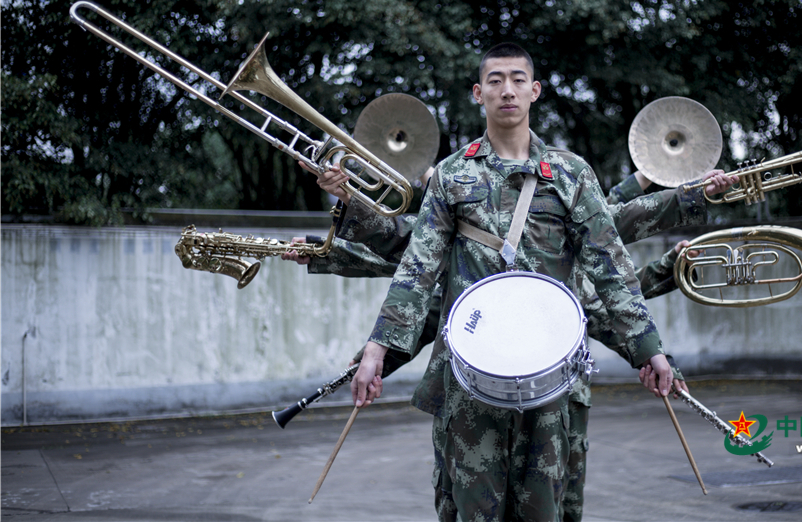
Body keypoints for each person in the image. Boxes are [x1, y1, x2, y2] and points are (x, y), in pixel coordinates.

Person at [287, 103, 736, 522]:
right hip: (468, 382)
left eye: (518, 80)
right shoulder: (452, 179)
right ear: (480, 93)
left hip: (552, 386)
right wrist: (377, 345)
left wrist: (653, 352)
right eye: (496, 81)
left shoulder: (569, 176)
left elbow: (614, 256)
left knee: (551, 508)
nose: (508, 91)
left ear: (533, 90)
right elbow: (409, 261)